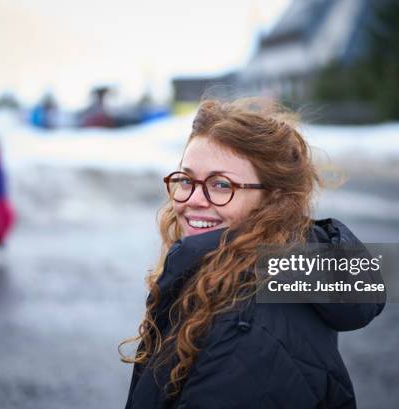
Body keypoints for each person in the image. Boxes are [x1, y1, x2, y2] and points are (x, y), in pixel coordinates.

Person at [120, 98, 385, 409]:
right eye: (187, 179)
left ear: (273, 198)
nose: (193, 199)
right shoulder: (249, 272)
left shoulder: (245, 321)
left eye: (221, 185)